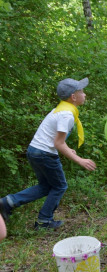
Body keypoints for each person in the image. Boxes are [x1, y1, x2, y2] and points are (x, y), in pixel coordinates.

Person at [0, 78, 96, 230]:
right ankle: (44, 221)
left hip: (35, 151)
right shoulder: (67, 115)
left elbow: (55, 138)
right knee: (60, 186)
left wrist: (68, 149)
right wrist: (79, 160)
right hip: (44, 154)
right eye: (82, 92)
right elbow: (58, 143)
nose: (85, 95)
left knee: (45, 186)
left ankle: (7, 202)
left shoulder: (61, 110)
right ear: (73, 97)